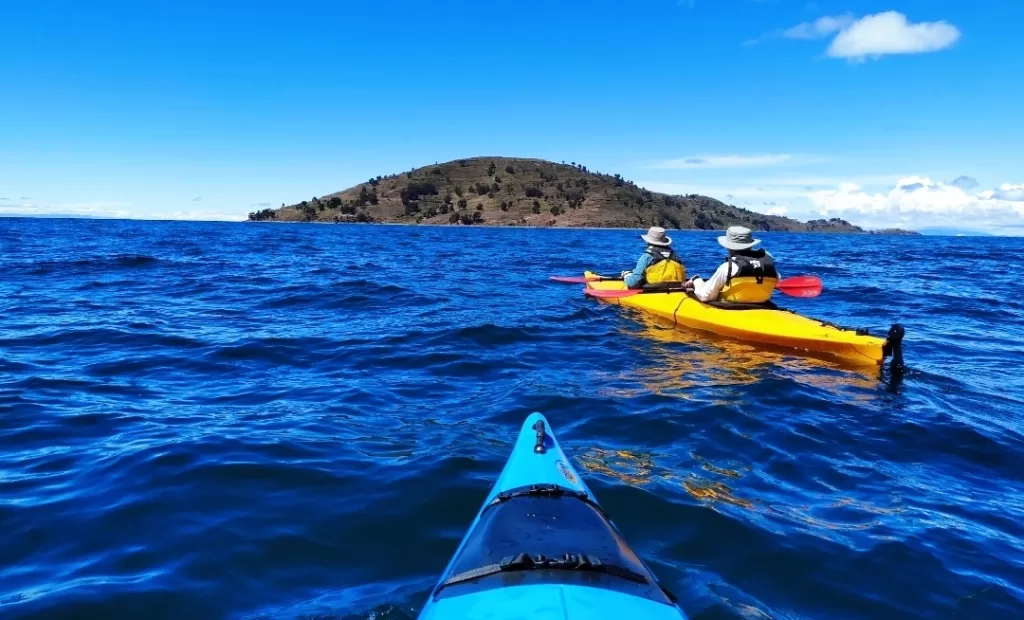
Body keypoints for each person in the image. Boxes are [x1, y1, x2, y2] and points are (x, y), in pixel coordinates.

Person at [688, 226, 780, 303]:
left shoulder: (728, 267)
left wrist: (696, 280)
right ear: (751, 245)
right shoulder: (769, 266)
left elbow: (705, 296)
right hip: (762, 308)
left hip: (733, 310)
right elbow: (777, 279)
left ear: (729, 247)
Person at [620, 226, 686, 289]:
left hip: (652, 291)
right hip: (677, 290)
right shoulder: (675, 256)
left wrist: (626, 276)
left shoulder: (647, 257)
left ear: (648, 241)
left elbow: (633, 284)